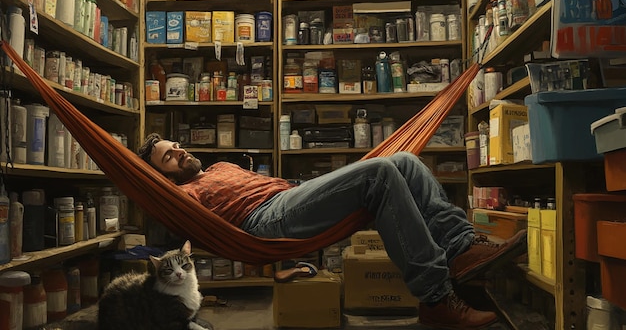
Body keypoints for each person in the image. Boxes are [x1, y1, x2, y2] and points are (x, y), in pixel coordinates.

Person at [138, 133, 527, 330]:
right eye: (168, 158)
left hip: (289, 195)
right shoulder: (182, 196)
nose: (179, 152)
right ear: (160, 177)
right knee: (379, 172)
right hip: (263, 220)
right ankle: (436, 297)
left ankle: (460, 248)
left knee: (405, 160)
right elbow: (198, 226)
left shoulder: (220, 165)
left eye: (176, 146)